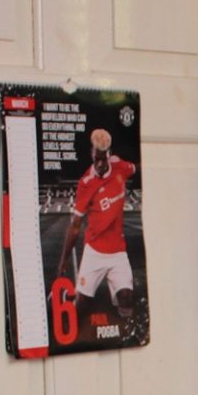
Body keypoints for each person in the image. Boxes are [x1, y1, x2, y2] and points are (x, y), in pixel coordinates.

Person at [58, 128, 141, 340]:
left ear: (109, 154)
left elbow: (137, 167)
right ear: (92, 154)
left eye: (104, 158)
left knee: (126, 298)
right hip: (94, 252)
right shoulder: (85, 184)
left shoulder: (121, 167)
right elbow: (75, 226)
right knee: (82, 306)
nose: (101, 164)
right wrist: (63, 262)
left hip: (118, 252)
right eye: (97, 158)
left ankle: (126, 338)